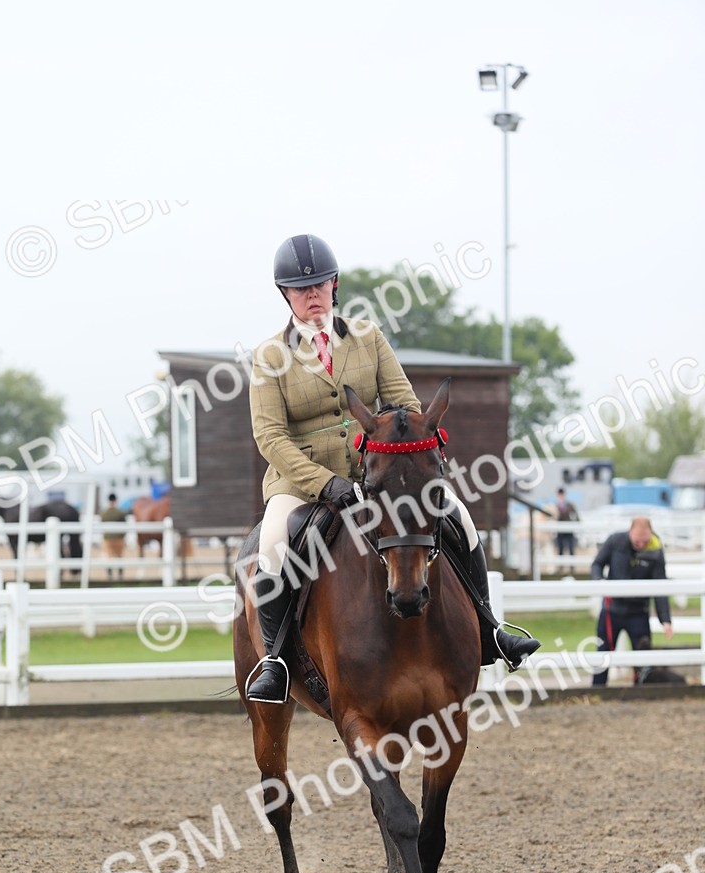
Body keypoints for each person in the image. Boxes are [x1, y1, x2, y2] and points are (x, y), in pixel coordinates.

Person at [245, 232, 540, 703]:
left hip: (376, 475)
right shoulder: (268, 358)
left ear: (334, 284)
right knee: (275, 542)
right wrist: (324, 483)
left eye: (320, 284)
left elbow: (404, 403)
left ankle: (490, 630)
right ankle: (276, 661)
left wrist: (387, 443)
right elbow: (270, 437)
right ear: (286, 295)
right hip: (299, 482)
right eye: (302, 289)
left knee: (458, 519)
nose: (313, 294)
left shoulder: (367, 337)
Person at [590, 516, 673, 686]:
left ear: (650, 535)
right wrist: (600, 582)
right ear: (630, 532)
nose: (641, 544)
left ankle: (642, 692)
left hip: (639, 612)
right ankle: (597, 690)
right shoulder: (615, 540)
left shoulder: (656, 551)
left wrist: (665, 619)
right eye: (637, 541)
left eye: (644, 541)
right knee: (602, 652)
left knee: (643, 658)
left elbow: (660, 586)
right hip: (612, 608)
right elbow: (597, 564)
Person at [100, 492, 127, 580]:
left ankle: (110, 575)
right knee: (120, 557)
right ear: (115, 500)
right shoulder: (120, 513)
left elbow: (102, 525)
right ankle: (120, 575)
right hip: (119, 538)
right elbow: (124, 525)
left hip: (108, 539)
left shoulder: (104, 513)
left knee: (108, 557)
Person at [554, 487, 579, 557]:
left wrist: (576, 524)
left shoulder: (569, 505)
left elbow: (576, 515)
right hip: (559, 530)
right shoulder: (555, 506)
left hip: (569, 529)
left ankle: (572, 566)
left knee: (571, 548)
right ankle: (560, 566)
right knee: (560, 549)